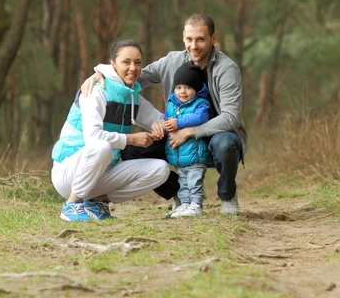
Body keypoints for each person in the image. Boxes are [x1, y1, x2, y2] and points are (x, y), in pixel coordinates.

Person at [82, 14, 247, 215]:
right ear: (183, 38)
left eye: (201, 39)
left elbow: (231, 117)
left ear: (213, 38)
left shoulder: (227, 69)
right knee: (131, 150)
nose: (194, 46)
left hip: (215, 134)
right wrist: (101, 74)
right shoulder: (172, 61)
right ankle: (179, 193)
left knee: (225, 143)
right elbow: (132, 75)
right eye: (189, 39)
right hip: (174, 133)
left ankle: (228, 195)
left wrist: (189, 131)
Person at [51, 40, 169, 222]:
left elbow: (160, 119)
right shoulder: (96, 91)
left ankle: (98, 201)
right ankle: (72, 205)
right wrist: (130, 139)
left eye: (138, 62)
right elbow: (93, 138)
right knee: (101, 147)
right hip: (68, 173)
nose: (133, 67)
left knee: (160, 169)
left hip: (101, 173)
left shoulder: (133, 98)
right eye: (126, 62)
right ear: (113, 64)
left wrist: (159, 124)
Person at [162, 64, 212, 218]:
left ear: (196, 89)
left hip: (195, 154)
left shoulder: (200, 104)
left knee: (194, 181)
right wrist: (163, 128)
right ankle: (184, 205)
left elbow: (201, 117)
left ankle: (196, 205)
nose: (182, 91)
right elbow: (166, 121)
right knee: (182, 182)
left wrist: (178, 122)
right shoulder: (171, 104)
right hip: (179, 155)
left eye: (188, 88)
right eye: (179, 87)